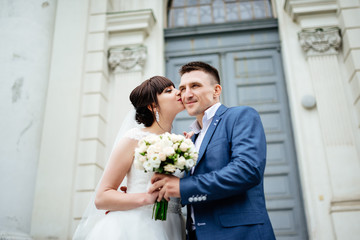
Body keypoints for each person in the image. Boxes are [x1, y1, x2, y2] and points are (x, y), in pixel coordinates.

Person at [149, 62, 276, 240]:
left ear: (216, 91)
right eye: (183, 88)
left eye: (195, 86)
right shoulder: (190, 139)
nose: (187, 94)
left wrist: (182, 186)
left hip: (240, 234)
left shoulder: (240, 116)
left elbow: (246, 171)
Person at [73, 76, 186, 240]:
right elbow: (102, 197)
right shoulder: (134, 139)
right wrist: (146, 198)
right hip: (137, 226)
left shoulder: (182, 144)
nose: (178, 92)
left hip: (173, 225)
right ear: (152, 105)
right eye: (169, 91)